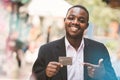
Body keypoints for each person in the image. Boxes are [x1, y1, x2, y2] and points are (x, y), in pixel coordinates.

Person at [30, 5, 117, 80]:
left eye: (81, 20)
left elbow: (113, 78)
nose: (75, 22)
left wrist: (103, 75)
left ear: (86, 26)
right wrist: (46, 74)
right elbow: (33, 78)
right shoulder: (47, 50)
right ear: (65, 21)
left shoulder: (99, 49)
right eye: (71, 18)